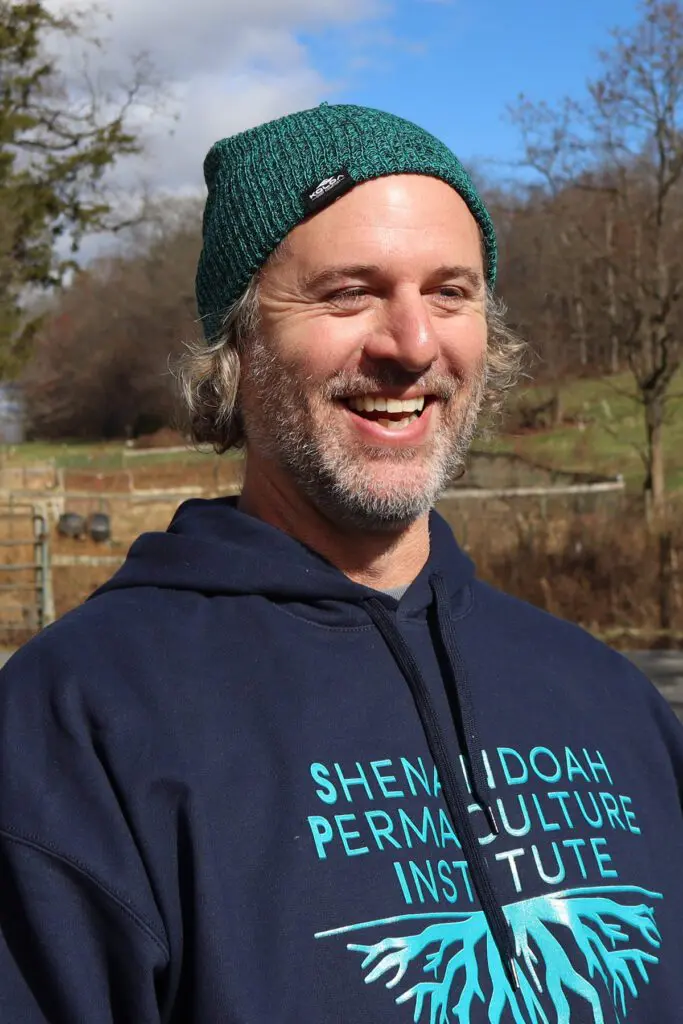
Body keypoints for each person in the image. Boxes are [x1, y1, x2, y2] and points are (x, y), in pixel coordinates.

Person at [0, 103, 682, 1024]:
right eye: (347, 293)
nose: (411, 344)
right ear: (239, 344)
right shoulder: (75, 724)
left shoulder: (608, 700)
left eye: (450, 292)